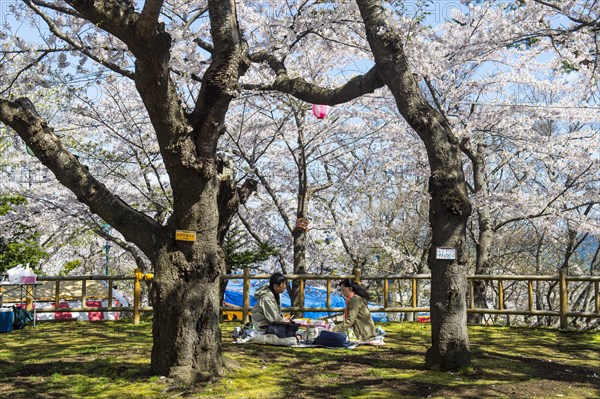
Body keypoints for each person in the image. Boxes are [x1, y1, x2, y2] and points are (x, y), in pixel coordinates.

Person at [251, 272, 298, 338]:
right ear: (275, 286)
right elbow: (274, 318)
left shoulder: (276, 294)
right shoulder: (267, 298)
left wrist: (284, 319)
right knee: (288, 332)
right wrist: (284, 321)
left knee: (292, 329)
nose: (285, 287)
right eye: (283, 284)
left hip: (271, 324)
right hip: (263, 327)